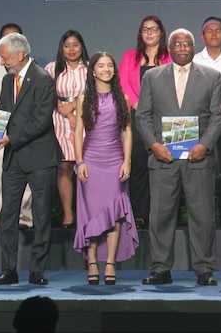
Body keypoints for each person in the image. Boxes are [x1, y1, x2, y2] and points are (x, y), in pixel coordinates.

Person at [136, 28, 221, 286]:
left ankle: (205, 270)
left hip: (199, 159)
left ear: (193, 47)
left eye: (187, 44)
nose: (183, 48)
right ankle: (160, 270)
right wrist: (154, 145)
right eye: (178, 44)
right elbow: (142, 116)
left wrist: (205, 145)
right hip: (163, 159)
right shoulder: (152, 77)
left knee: (203, 216)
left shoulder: (212, 77)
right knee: (160, 217)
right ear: (170, 48)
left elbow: (219, 116)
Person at [0, 33, 59, 286]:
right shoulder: (8, 80)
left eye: (5, 57)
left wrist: (10, 139)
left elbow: (41, 121)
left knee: (41, 217)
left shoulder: (43, 79)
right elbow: (2, 111)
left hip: (39, 156)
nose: (2, 62)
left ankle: (37, 270)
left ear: (19, 55)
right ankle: (9, 270)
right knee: (7, 215)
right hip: (14, 158)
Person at [73, 52, 139, 285]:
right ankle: (92, 262)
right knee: (92, 213)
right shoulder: (84, 98)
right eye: (101, 66)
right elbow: (78, 132)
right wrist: (79, 161)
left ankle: (110, 262)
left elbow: (127, 131)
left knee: (115, 214)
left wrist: (127, 161)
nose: (107, 69)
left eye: (110, 65)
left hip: (114, 161)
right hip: (90, 160)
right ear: (93, 70)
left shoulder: (122, 96)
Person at [118, 16, 171, 229]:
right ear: (140, 33)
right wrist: (138, 104)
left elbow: (173, 84)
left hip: (163, 118)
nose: (149, 33)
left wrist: (154, 106)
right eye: (145, 29)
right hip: (137, 117)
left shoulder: (169, 57)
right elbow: (122, 83)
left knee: (163, 169)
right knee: (138, 166)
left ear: (161, 33)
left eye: (154, 29)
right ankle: (139, 216)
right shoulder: (130, 56)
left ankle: (162, 218)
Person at [0, 23, 33, 230]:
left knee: (26, 175)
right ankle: (0, 218)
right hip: (0, 125)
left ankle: (25, 219)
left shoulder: (33, 69)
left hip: (24, 129)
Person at [193, 17, 221, 230]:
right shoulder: (194, 60)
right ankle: (205, 221)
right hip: (202, 122)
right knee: (203, 172)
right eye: (209, 31)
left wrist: (219, 114)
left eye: (218, 30)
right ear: (202, 36)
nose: (214, 34)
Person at [45, 30, 89, 229]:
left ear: (82, 47)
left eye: (75, 45)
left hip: (86, 119)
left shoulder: (90, 68)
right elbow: (46, 95)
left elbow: (96, 94)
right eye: (67, 45)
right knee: (64, 166)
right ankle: (68, 214)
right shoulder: (52, 68)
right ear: (61, 48)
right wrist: (67, 113)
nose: (71, 49)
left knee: (86, 167)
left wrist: (74, 109)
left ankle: (87, 212)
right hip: (59, 120)